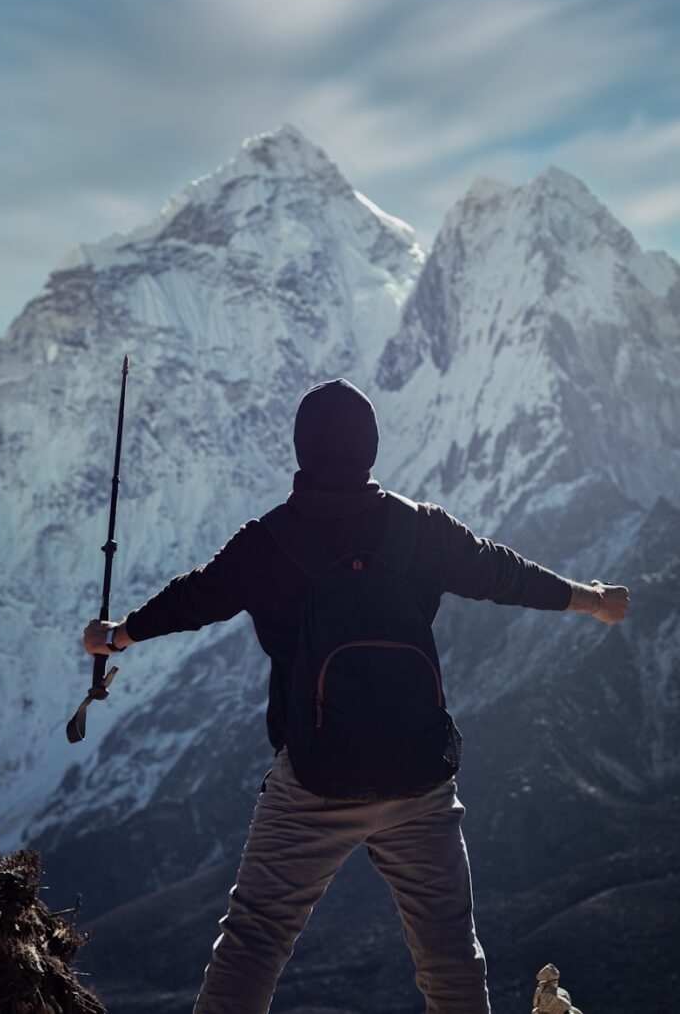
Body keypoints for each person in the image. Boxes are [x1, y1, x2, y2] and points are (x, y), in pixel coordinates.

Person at [83, 379, 629, 1014]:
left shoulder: (266, 541)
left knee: (254, 940)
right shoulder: (423, 529)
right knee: (450, 952)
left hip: (314, 778)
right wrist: (590, 599)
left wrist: (118, 635)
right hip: (418, 778)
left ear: (300, 451)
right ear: (371, 447)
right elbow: (501, 572)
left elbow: (193, 597)